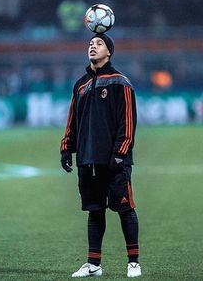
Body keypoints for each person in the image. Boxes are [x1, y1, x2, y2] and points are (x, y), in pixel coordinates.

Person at [60, 33, 141, 278]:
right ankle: (94, 264)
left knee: (125, 209)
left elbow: (128, 122)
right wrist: (66, 148)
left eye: (99, 44)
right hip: (87, 159)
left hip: (115, 160)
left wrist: (120, 153)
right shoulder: (80, 84)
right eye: (90, 44)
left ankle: (133, 262)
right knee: (95, 211)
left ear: (110, 51)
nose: (92, 47)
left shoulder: (121, 82)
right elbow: (72, 120)